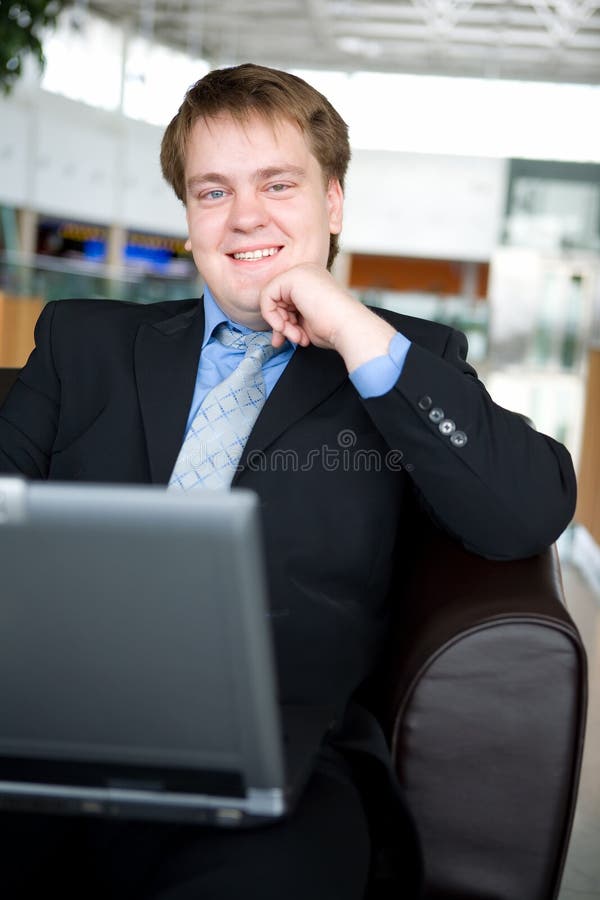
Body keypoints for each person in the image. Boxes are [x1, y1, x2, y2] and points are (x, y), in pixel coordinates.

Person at [0, 64, 576, 899]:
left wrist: (347, 325)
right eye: (212, 192)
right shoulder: (80, 342)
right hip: (49, 737)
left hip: (281, 771)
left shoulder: (405, 363)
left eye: (279, 184)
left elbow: (527, 510)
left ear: (334, 203)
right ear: (190, 218)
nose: (245, 218)